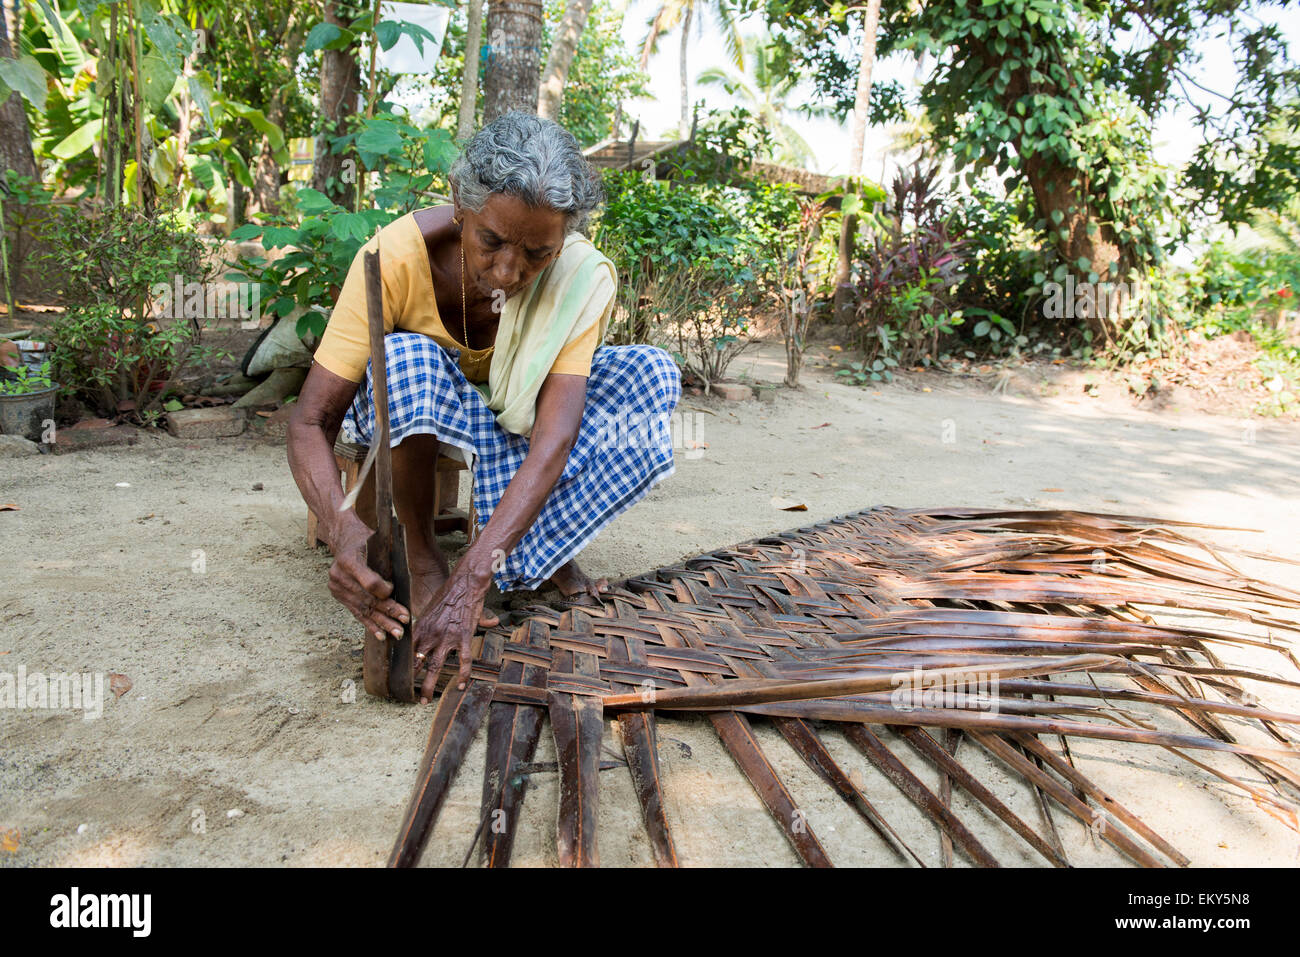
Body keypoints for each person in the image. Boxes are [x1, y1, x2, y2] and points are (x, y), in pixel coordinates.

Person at [287, 112, 681, 701]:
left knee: (649, 373)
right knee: (406, 360)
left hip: (513, 416)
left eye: (537, 254)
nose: (508, 272)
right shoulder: (394, 259)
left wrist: (475, 577)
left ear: (563, 242)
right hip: (422, 407)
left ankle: (540, 550)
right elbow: (311, 420)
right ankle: (423, 558)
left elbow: (554, 437)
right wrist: (345, 529)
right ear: (460, 205)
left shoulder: (574, 276)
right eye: (491, 242)